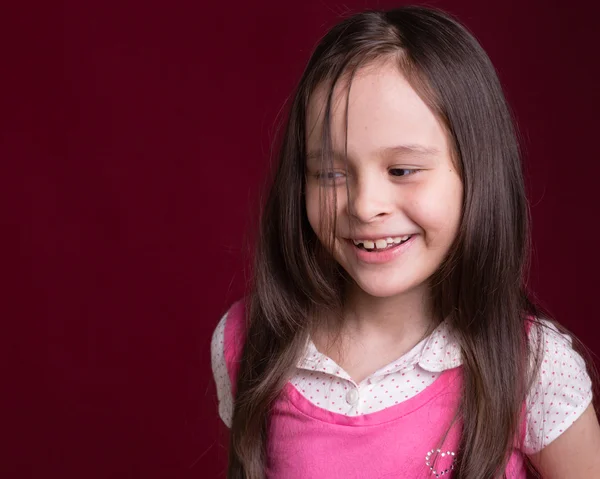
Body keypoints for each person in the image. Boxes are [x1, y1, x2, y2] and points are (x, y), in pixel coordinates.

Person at [210, 5, 600, 478]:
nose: (364, 205)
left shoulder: (532, 365)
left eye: (402, 170)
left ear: (475, 173)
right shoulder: (250, 341)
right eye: (331, 173)